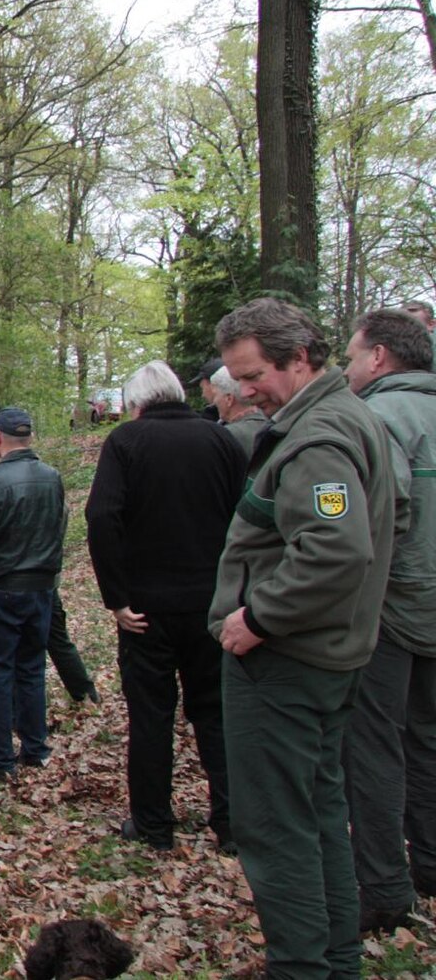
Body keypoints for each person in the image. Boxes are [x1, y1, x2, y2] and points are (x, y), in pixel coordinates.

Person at [209, 297, 401, 977]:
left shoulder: (319, 435)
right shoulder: (346, 419)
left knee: (277, 828)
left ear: (300, 358)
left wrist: (258, 617)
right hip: (324, 655)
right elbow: (391, 518)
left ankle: (302, 966)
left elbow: (337, 547)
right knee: (320, 815)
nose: (244, 389)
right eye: (237, 375)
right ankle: (335, 960)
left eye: (254, 373)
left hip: (286, 665)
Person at [84, 362, 245, 852]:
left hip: (146, 611)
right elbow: (247, 519)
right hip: (210, 604)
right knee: (215, 714)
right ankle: (231, 824)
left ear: (136, 405)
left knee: (151, 715)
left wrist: (117, 598)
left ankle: (154, 823)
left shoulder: (127, 443)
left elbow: (102, 515)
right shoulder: (222, 441)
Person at [339, 309, 436, 931]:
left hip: (395, 606)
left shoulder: (377, 418)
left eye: (350, 356)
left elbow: (386, 514)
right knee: (427, 736)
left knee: (373, 744)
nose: (347, 369)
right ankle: (428, 862)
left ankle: (383, 887)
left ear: (378, 357)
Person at [0, 407, 66, 782]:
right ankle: (35, 748)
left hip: (2, 587)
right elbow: (59, 525)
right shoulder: (51, 478)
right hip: (40, 587)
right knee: (31, 668)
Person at [210, 365, 270, 452]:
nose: (214, 402)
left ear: (229, 399)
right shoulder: (272, 424)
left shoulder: (226, 436)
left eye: (215, 395)